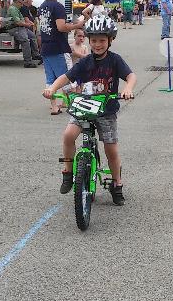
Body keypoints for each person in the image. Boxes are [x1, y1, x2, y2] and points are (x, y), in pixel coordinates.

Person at [42, 16, 136, 205]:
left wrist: (128, 88)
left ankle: (117, 183)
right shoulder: (85, 62)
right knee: (68, 135)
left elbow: (131, 76)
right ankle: (67, 171)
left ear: (110, 40)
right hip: (84, 107)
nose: (97, 44)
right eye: (94, 40)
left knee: (111, 149)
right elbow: (66, 77)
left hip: (106, 111)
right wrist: (52, 88)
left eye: (102, 40)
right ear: (88, 40)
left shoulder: (115, 60)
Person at [39, 0, 85, 115]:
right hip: (58, 46)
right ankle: (72, 106)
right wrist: (77, 25)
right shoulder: (58, 6)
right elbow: (61, 27)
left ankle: (54, 107)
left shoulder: (42, 6)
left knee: (50, 79)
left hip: (46, 47)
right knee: (66, 76)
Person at [6, 0, 38, 68]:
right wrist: (27, 24)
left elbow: (21, 20)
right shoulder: (13, 9)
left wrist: (28, 23)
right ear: (17, 2)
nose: (22, 5)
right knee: (25, 40)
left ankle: (35, 55)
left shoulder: (16, 9)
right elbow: (18, 22)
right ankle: (28, 62)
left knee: (32, 36)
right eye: (21, 3)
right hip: (14, 28)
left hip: (20, 27)